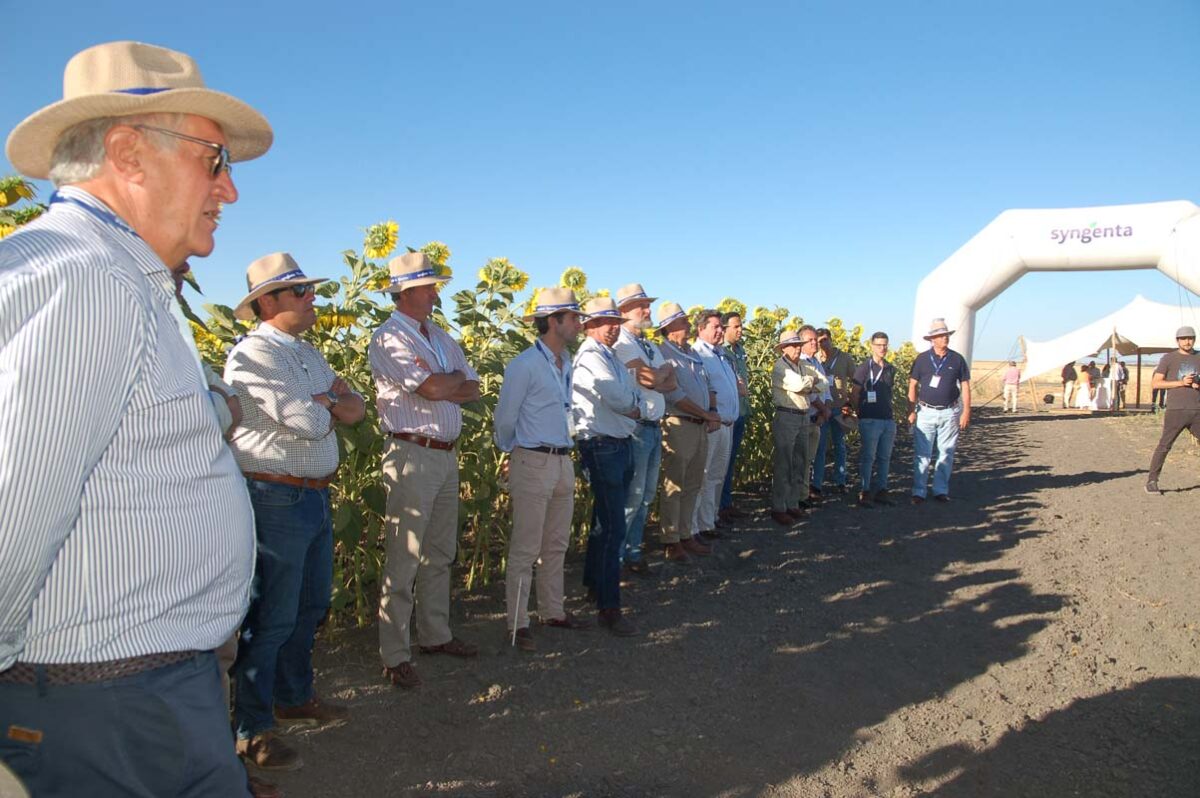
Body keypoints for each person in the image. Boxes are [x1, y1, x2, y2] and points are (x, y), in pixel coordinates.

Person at [0, 41, 271, 796]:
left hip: (127, 696)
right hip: (104, 707)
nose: (230, 190)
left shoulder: (109, 276)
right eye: (213, 159)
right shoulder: (91, 282)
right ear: (129, 153)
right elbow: (10, 511)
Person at [224, 253, 365, 770]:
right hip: (274, 495)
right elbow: (306, 419)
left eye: (309, 290)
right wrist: (330, 399)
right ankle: (252, 727)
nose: (312, 299)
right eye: (300, 292)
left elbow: (356, 408)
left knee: (309, 606)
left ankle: (293, 696)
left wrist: (329, 399)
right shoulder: (251, 356)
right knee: (272, 614)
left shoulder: (306, 355)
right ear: (267, 303)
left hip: (313, 492)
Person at [370, 252, 481, 690]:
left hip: (444, 453)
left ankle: (435, 635)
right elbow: (434, 387)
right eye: (431, 286)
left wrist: (446, 382)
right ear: (408, 291)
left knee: (440, 551)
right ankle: (394, 653)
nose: (437, 293)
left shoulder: (439, 336)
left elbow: (471, 390)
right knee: (405, 555)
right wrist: (446, 381)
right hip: (412, 454)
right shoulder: (388, 338)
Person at [494, 289, 591, 651]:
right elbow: (505, 417)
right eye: (575, 318)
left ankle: (553, 611)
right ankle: (517, 624)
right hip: (533, 459)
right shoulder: (524, 365)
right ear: (555, 321)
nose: (580, 325)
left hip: (563, 459)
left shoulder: (565, 362)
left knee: (556, 544)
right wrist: (512, 450)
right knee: (525, 547)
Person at [572, 297, 645, 635]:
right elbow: (617, 397)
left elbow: (631, 393)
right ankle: (609, 606)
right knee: (614, 524)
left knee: (603, 521)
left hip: (618, 443)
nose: (613, 326)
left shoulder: (610, 356)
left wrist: (633, 404)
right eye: (604, 321)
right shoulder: (589, 356)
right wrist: (634, 405)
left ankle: (593, 584)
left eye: (615, 320)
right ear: (588, 325)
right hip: (601, 446)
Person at [611, 283, 676, 575]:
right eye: (642, 306)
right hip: (636, 429)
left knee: (647, 494)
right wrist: (657, 376)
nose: (648, 310)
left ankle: (634, 551)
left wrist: (657, 376)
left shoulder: (647, 344)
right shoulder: (622, 342)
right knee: (633, 496)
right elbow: (651, 379)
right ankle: (619, 557)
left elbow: (671, 381)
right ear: (624, 311)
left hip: (653, 426)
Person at [655, 302, 720, 561]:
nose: (688, 324)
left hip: (698, 425)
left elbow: (705, 385)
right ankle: (671, 539)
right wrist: (706, 414)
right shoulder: (663, 354)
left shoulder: (691, 353)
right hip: (679, 423)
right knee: (675, 484)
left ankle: (685, 534)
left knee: (693, 482)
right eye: (682, 321)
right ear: (669, 327)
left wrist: (709, 412)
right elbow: (675, 395)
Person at [908, 318, 972, 503]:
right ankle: (919, 491)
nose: (945, 338)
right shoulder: (921, 360)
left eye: (946, 335)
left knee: (946, 452)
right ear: (932, 339)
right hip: (926, 412)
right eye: (940, 336)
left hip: (950, 411)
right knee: (922, 453)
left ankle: (940, 490)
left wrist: (966, 410)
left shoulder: (957, 359)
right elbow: (912, 385)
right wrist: (911, 410)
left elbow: (965, 386)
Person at [690, 310, 740, 539]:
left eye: (721, 326)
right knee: (702, 476)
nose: (720, 330)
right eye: (715, 327)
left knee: (716, 476)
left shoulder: (721, 354)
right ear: (701, 329)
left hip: (727, 425)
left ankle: (708, 521)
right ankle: (693, 528)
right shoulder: (698, 355)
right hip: (711, 425)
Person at [769, 330, 825, 525]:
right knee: (785, 463)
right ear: (784, 348)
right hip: (787, 416)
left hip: (802, 416)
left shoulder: (802, 365)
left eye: (799, 345)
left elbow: (824, 383)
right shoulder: (780, 367)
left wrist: (811, 383)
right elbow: (800, 385)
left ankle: (792, 504)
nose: (798, 348)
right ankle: (779, 507)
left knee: (800, 462)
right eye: (794, 345)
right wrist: (811, 382)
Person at [1144, 326, 1200, 494]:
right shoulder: (1169, 358)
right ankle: (1152, 481)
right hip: (1176, 410)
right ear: (1178, 341)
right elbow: (1156, 383)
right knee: (1165, 445)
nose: (1187, 341)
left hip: (1197, 409)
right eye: (1183, 338)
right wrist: (1181, 383)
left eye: (1190, 338)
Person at [850, 332, 898, 507]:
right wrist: (859, 412)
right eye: (878, 345)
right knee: (868, 457)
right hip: (869, 419)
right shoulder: (863, 368)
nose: (882, 348)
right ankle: (865, 491)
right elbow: (854, 392)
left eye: (885, 345)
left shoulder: (890, 368)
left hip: (887, 419)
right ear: (871, 346)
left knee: (885, 457)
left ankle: (882, 490)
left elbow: (889, 392)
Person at [812, 327, 855, 495]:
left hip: (839, 407)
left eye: (824, 340)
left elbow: (855, 380)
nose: (821, 343)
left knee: (840, 446)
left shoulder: (844, 358)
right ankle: (817, 483)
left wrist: (850, 403)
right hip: (821, 408)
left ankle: (840, 480)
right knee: (819, 447)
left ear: (831, 339)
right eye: (819, 340)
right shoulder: (815, 358)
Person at [719, 311, 751, 521]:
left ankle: (726, 502)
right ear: (724, 328)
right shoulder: (720, 352)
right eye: (736, 327)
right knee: (720, 463)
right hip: (726, 415)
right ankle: (718, 507)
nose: (740, 330)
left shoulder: (739, 350)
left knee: (730, 461)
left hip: (741, 411)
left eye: (741, 326)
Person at [798, 325, 833, 503]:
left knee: (809, 459)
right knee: (802, 461)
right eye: (810, 340)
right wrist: (823, 409)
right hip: (807, 417)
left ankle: (804, 494)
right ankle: (800, 497)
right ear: (801, 342)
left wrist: (825, 409)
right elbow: (809, 392)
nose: (814, 343)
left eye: (815, 340)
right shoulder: (800, 362)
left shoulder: (817, 362)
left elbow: (825, 389)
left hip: (817, 418)